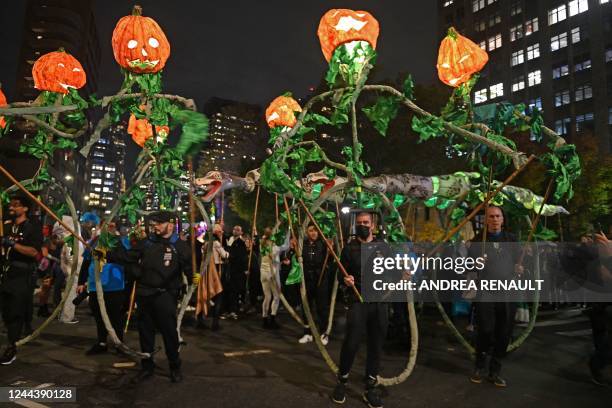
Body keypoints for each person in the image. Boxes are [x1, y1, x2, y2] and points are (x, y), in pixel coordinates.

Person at [107, 211, 194, 383]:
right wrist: (106, 252)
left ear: (170, 224)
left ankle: (174, 365)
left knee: (169, 333)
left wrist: (193, 277)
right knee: (145, 332)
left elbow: (189, 268)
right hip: (145, 294)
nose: (155, 226)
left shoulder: (181, 246)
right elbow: (126, 257)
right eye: (154, 223)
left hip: (166, 296)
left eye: (159, 223)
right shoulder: (146, 243)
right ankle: (147, 366)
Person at [332, 211, 389, 408]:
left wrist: (403, 274)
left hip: (380, 302)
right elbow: (340, 273)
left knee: (376, 345)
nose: (363, 225)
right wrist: (345, 280)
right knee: (352, 342)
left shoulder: (384, 246)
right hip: (357, 301)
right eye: (359, 223)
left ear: (373, 225)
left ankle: (370, 387)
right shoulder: (349, 248)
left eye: (366, 222)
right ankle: (342, 381)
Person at [468, 206, 523, 388]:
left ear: (503, 219)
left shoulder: (512, 240)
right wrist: (475, 264)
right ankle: (479, 366)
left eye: (498, 216)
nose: (494, 219)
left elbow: (522, 264)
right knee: (485, 329)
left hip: (508, 292)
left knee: (504, 332)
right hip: (486, 292)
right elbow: (467, 268)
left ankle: (495, 371)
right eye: (491, 216)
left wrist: (520, 269)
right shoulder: (478, 241)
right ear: (486, 220)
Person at [0, 195, 43, 365]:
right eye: (11, 205)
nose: (12, 207)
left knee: (14, 313)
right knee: (5, 311)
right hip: (5, 273)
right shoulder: (6, 225)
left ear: (25, 208)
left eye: (16, 205)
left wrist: (12, 245)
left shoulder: (32, 227)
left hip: (21, 276)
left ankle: (12, 347)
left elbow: (33, 252)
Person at [78, 218, 127, 354]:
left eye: (112, 225)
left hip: (114, 286)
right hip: (95, 286)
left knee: (115, 317)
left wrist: (105, 254)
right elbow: (86, 262)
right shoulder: (94, 241)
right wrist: (81, 282)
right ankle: (101, 342)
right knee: (99, 316)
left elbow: (125, 258)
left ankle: (119, 343)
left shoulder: (119, 241)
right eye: (105, 225)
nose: (108, 228)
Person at [298, 224, 330, 346]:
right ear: (307, 232)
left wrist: (330, 251)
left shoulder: (323, 244)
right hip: (306, 279)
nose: (314, 233)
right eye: (311, 230)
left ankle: (323, 333)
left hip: (321, 279)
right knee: (306, 306)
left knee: (322, 307)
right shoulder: (303, 245)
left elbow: (332, 260)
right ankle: (307, 333)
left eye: (316, 230)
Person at [53, 216, 84, 324]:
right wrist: (80, 272)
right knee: (70, 295)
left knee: (68, 294)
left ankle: (64, 315)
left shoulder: (72, 239)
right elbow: (73, 260)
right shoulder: (72, 241)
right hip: (74, 273)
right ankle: (67, 316)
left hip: (72, 271)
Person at [258, 227, 290, 329]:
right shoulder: (275, 247)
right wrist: (288, 231)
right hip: (272, 273)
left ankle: (264, 319)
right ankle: (272, 319)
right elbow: (286, 245)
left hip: (263, 273)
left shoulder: (262, 244)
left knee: (267, 297)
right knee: (276, 297)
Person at [226, 225, 248, 318]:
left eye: (238, 230)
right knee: (231, 290)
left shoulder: (241, 243)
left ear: (241, 232)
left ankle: (234, 310)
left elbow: (243, 257)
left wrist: (245, 269)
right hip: (230, 269)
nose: (235, 231)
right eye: (234, 229)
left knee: (236, 291)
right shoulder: (230, 241)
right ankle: (231, 309)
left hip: (238, 271)